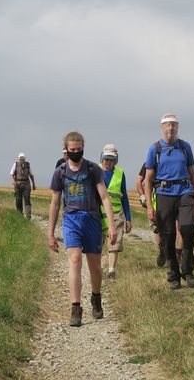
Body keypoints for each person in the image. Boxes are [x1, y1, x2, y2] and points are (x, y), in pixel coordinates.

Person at [48, 131, 117, 327]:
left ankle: (96, 297)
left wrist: (111, 225)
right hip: (71, 220)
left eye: (79, 150)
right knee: (75, 260)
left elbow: (104, 197)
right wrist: (50, 233)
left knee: (94, 266)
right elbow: (54, 204)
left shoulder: (93, 169)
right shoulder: (60, 172)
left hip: (92, 220)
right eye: (73, 150)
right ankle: (75, 309)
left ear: (83, 149)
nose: (76, 153)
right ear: (66, 151)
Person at [144, 113, 194, 289]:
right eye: (167, 125)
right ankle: (173, 275)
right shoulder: (154, 149)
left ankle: (188, 271)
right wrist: (149, 207)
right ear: (162, 128)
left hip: (185, 191)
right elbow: (147, 180)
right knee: (167, 236)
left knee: (188, 229)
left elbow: (192, 173)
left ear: (177, 128)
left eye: (174, 125)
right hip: (164, 194)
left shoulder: (185, 147)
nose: (171, 128)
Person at [98, 144, 131, 281]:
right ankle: (97, 268)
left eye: (110, 159)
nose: (107, 162)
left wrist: (128, 218)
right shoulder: (95, 171)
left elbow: (124, 196)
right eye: (105, 159)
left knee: (114, 242)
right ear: (102, 158)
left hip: (116, 213)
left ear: (115, 160)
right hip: (98, 213)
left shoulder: (120, 173)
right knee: (98, 242)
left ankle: (111, 270)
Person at [136, 162, 166, 267]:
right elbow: (139, 181)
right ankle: (162, 250)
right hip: (153, 197)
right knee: (156, 227)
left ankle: (176, 253)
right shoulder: (148, 162)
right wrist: (142, 196)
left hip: (169, 196)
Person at [10, 152, 36, 219]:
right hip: (18, 185)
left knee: (27, 199)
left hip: (26, 184)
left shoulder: (28, 165)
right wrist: (13, 181)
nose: (22, 160)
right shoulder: (15, 164)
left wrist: (33, 184)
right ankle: (19, 214)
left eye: (23, 158)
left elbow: (31, 175)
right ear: (18, 159)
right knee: (18, 200)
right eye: (20, 158)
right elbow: (11, 174)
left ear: (25, 159)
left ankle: (28, 215)